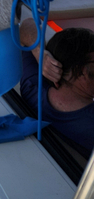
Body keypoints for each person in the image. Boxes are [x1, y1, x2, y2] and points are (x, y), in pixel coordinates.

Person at [19, 18, 94, 156]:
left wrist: (39, 53)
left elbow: (27, 24)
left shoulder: (33, 91)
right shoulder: (89, 124)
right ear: (82, 71)